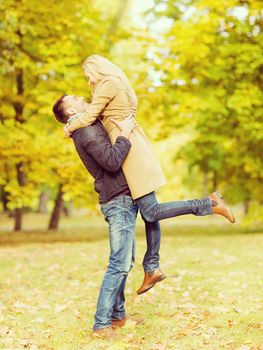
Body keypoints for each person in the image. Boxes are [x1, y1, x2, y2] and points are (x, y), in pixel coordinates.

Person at [63, 55, 235, 294]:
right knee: (149, 211)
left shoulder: (108, 83)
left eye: (88, 73)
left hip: (127, 148)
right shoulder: (117, 81)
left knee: (151, 210)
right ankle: (151, 268)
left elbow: (91, 115)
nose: (88, 79)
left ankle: (208, 203)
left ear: (96, 68)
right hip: (128, 143)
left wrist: (69, 128)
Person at [52, 95, 142, 338]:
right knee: (118, 265)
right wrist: (124, 134)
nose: (82, 97)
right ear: (70, 109)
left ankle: (118, 316)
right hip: (118, 200)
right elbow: (112, 162)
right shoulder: (87, 133)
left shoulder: (85, 126)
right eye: (75, 98)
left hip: (122, 196)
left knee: (126, 261)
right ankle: (101, 325)